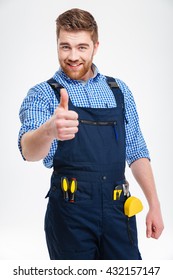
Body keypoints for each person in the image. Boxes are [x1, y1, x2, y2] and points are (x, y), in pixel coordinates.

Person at [18, 8, 164, 260]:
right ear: (57, 45)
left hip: (119, 210)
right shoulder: (42, 94)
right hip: (70, 213)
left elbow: (136, 149)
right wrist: (49, 130)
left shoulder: (119, 90)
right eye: (65, 47)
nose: (73, 56)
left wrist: (155, 205)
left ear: (95, 46)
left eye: (82, 47)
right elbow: (28, 151)